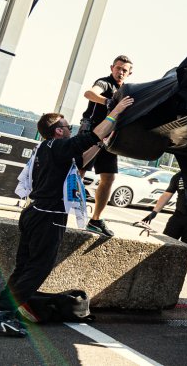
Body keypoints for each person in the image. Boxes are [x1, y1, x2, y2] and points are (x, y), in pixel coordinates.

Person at [0, 97, 133, 337]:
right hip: (48, 217)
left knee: (24, 267)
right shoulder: (58, 145)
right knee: (38, 268)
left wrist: (101, 144)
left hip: (35, 212)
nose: (70, 129)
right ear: (58, 131)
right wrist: (116, 111)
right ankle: (2, 314)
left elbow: (82, 160)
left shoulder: (49, 148)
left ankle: (3, 311)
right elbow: (90, 137)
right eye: (67, 127)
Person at [80, 55, 133, 237]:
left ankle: (95, 220)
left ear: (129, 73)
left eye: (124, 70)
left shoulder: (127, 91)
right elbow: (89, 93)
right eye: (118, 68)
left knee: (109, 178)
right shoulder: (104, 83)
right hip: (91, 133)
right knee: (78, 172)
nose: (120, 72)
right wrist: (107, 101)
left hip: (109, 138)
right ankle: (61, 208)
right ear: (112, 68)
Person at [137, 171, 187, 249]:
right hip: (178, 216)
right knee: (165, 245)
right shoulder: (179, 176)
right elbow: (167, 194)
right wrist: (154, 212)